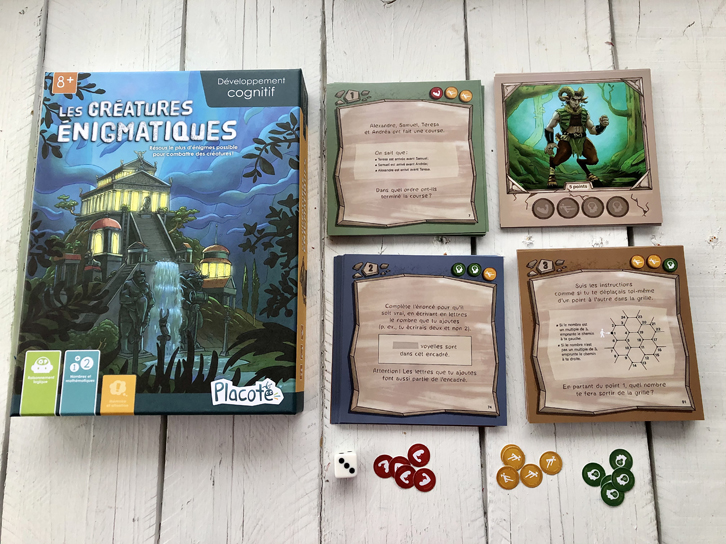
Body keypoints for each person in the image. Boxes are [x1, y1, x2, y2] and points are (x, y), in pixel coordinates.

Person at [544, 86, 609, 187]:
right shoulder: (559, 113)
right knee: (557, 160)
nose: (577, 102)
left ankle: (583, 166)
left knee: (594, 160)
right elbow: (549, 127)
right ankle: (551, 174)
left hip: (582, 139)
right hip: (567, 140)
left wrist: (602, 126)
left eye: (579, 100)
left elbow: (592, 130)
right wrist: (550, 142)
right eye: (574, 100)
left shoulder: (585, 113)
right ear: (568, 99)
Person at [119, 269, 155, 356]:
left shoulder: (146, 285)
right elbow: (123, 298)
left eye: (143, 277)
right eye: (140, 277)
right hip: (129, 310)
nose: (142, 279)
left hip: (144, 311)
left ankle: (140, 349)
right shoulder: (128, 284)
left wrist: (149, 304)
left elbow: (151, 297)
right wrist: (135, 299)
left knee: (140, 330)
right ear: (136, 277)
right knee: (125, 332)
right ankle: (124, 349)